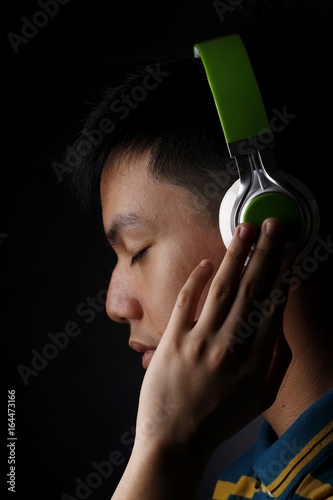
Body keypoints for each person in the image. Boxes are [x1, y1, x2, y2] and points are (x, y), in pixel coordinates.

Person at [65, 0, 333, 497]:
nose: (114, 304)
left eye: (137, 250)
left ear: (265, 220)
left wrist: (166, 444)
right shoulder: (244, 484)